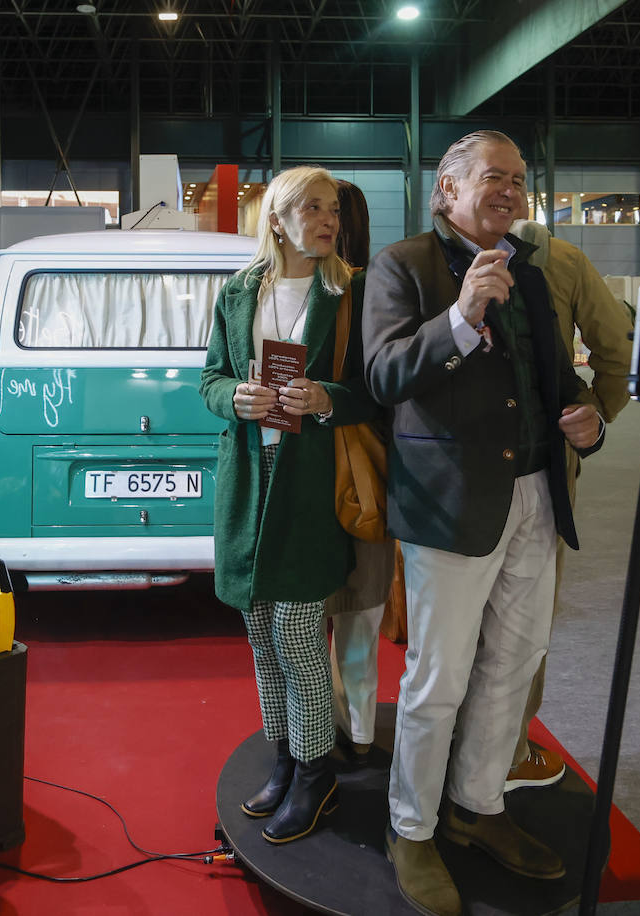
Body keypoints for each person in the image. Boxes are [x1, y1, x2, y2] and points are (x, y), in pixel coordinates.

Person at [363, 130, 603, 916]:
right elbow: (385, 373)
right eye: (493, 177)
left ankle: (476, 807)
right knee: (439, 676)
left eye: (518, 179)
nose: (510, 190)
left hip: (537, 493)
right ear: (447, 191)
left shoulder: (530, 270)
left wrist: (588, 417)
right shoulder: (405, 266)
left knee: (514, 660)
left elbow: (558, 375)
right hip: (451, 503)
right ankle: (412, 826)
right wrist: (461, 318)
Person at [199, 165, 376, 844]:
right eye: (311, 207)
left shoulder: (351, 292)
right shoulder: (240, 291)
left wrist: (328, 397)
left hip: (310, 480)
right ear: (277, 218)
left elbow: (375, 389)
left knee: (299, 637)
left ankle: (314, 771)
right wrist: (233, 399)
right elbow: (210, 377)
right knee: (261, 635)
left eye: (332, 207)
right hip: (248, 475)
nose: (327, 218)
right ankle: (283, 759)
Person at [505, 219, 633, 790]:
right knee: (526, 615)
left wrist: (593, 418)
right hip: (541, 461)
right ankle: (508, 748)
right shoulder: (562, 258)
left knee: (463, 621)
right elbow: (616, 348)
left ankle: (475, 748)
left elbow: (614, 351)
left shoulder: (426, 255)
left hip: (461, 467)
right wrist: (594, 414)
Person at [323, 179, 395, 759]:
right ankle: (357, 732)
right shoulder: (380, 286)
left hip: (337, 460)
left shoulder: (350, 289)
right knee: (357, 613)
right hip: (364, 465)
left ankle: (335, 733)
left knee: (343, 608)